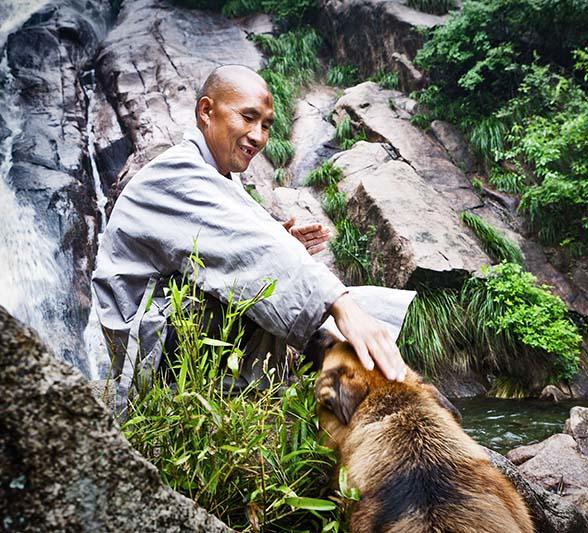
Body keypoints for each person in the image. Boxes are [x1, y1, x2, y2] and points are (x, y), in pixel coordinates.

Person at [92, 65, 413, 413]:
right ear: (206, 111)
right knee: (328, 307)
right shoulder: (173, 174)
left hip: (179, 341)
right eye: (247, 118)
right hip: (156, 362)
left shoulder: (221, 177)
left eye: (266, 125)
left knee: (354, 307)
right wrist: (343, 305)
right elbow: (247, 249)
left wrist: (284, 239)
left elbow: (233, 243)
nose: (258, 136)